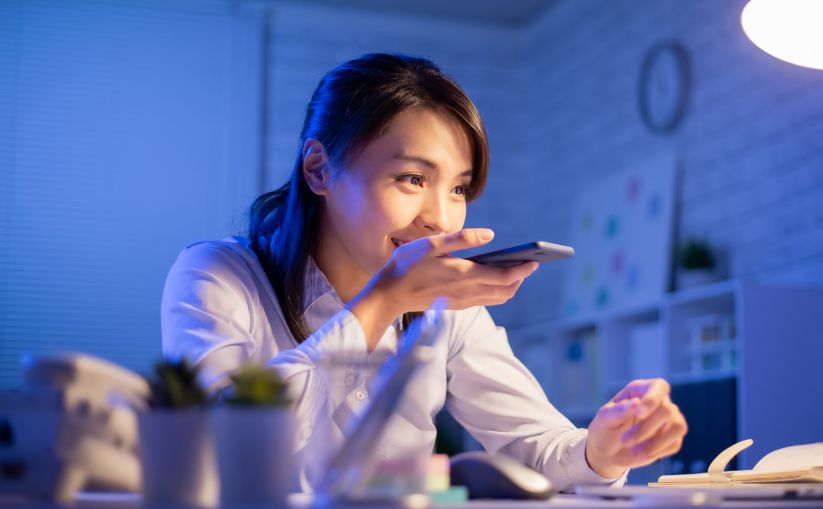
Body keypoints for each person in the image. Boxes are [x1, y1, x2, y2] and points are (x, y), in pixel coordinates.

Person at [161, 53, 687, 493]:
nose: (440, 216)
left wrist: (603, 447)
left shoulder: (447, 308)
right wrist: (382, 302)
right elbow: (215, 451)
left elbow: (539, 448)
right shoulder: (217, 274)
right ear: (318, 169)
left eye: (459, 188)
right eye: (412, 177)